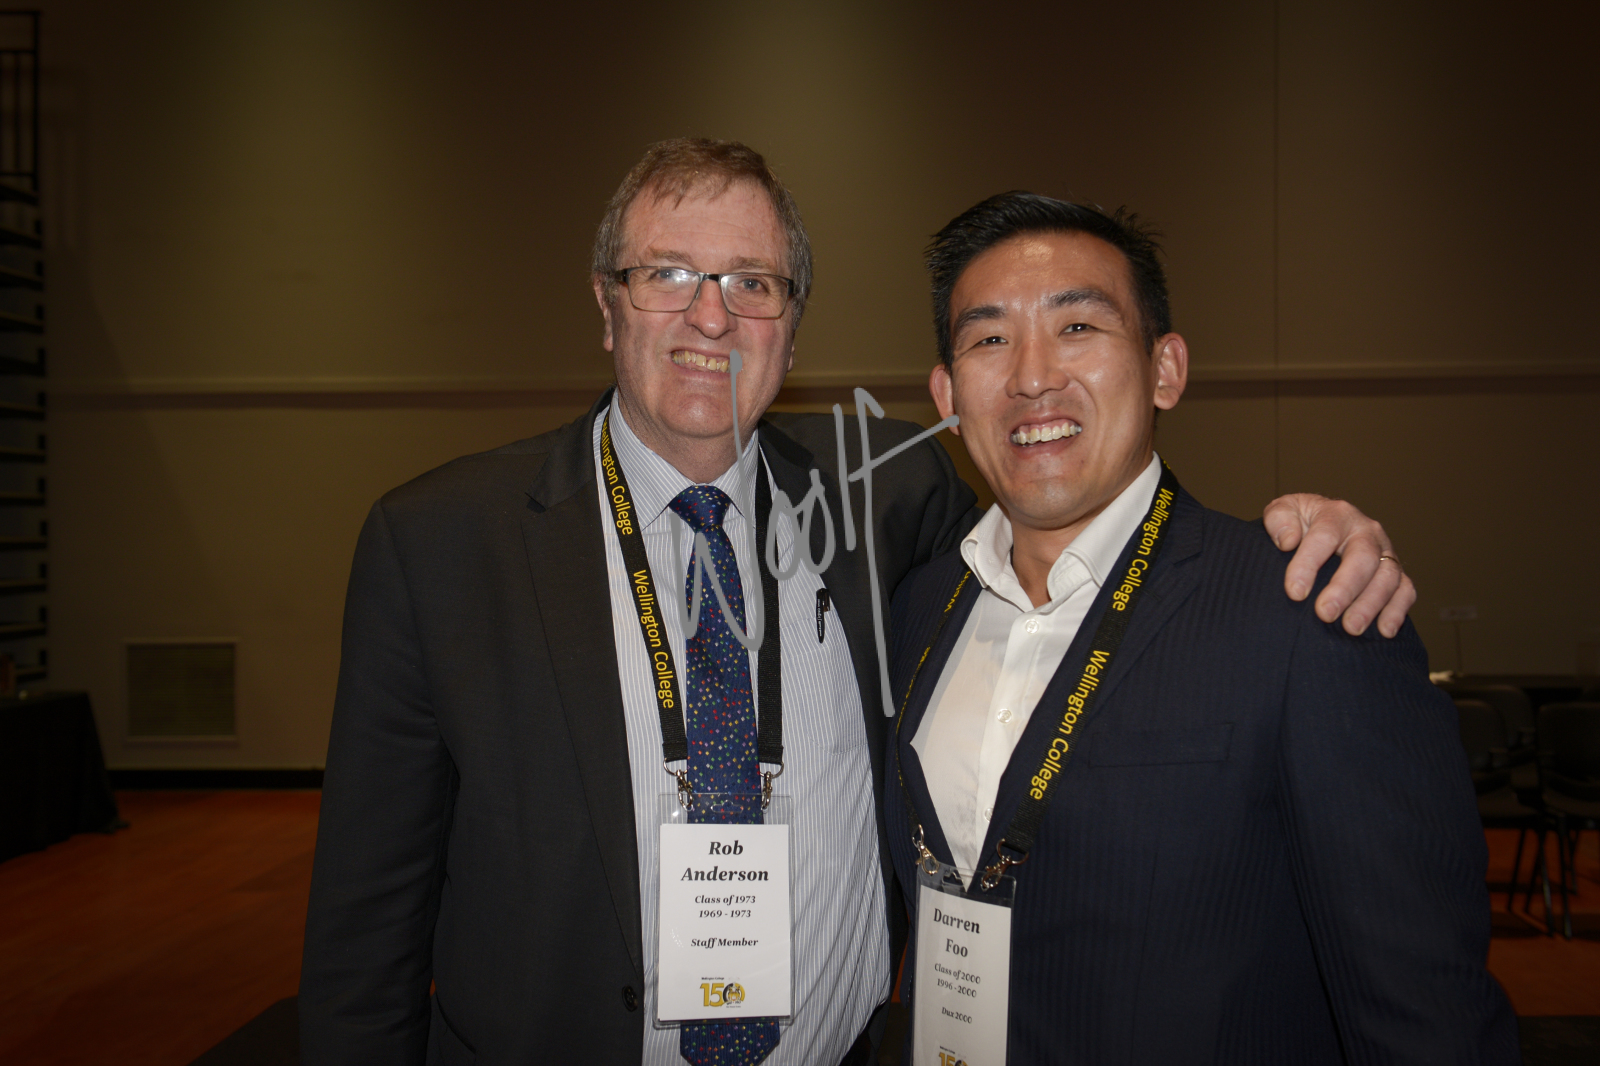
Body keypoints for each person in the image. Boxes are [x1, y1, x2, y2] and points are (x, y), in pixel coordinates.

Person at [299, 140, 1416, 1065]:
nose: (711, 317)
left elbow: (1085, 524)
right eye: (668, 274)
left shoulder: (889, 498)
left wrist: (1311, 532)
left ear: (792, 325)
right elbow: (366, 934)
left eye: (753, 283)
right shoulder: (441, 544)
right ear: (605, 304)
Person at [885, 192, 1518, 1063]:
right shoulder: (917, 606)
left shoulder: (1308, 611)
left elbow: (1425, 1014)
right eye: (989, 339)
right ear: (948, 394)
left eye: (1078, 327)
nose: (1032, 375)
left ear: (1165, 370)